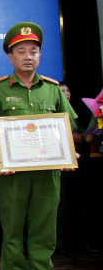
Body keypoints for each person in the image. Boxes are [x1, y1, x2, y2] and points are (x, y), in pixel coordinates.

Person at [0, 22, 78, 270]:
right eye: (21, 51)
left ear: (40, 55)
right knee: (14, 228)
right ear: (11, 57)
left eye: (34, 51)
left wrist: (69, 153)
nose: (28, 56)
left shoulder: (54, 90)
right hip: (13, 173)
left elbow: (65, 126)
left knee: (44, 229)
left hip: (47, 173)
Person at [55, 82, 84, 253]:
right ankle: (57, 241)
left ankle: (74, 239)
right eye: (62, 90)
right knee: (59, 203)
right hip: (61, 164)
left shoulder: (73, 113)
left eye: (68, 90)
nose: (66, 93)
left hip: (77, 164)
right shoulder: (55, 111)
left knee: (74, 203)